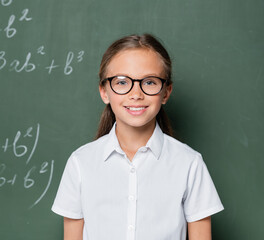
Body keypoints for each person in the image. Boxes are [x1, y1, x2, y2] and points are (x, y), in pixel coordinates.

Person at [51, 33, 224, 240]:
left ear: (166, 92)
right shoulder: (81, 163)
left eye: (150, 82)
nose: (136, 94)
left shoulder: (189, 163)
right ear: (104, 92)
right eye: (122, 82)